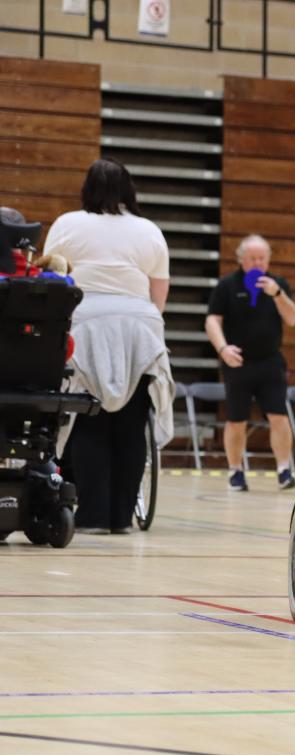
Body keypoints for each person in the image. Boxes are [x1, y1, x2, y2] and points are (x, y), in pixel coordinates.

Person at [43, 158, 175, 535]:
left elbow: (54, 277)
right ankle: (120, 518)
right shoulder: (148, 231)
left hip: (85, 322)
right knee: (132, 425)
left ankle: (93, 516)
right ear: (128, 189)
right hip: (138, 326)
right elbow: (158, 294)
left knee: (89, 421)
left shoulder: (68, 224)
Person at [206, 234, 295, 492]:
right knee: (236, 419)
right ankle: (236, 471)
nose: (257, 263)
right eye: (252, 258)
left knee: (279, 416)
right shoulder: (226, 286)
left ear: (268, 259)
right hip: (238, 362)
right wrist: (223, 348)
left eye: (262, 258)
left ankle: (284, 469)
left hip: (270, 361)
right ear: (241, 259)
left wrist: (278, 294)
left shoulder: (278, 284)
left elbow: (292, 318)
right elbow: (212, 321)